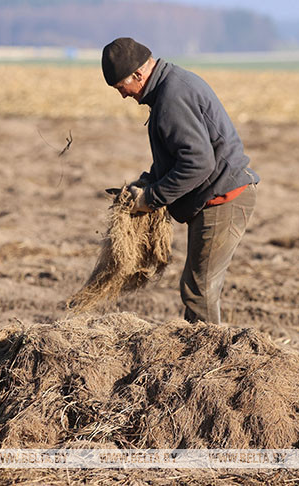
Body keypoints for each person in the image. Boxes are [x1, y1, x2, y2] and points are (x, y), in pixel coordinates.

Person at [102, 37, 260, 325]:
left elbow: (198, 163)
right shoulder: (169, 87)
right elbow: (179, 156)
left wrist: (150, 199)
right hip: (217, 194)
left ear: (138, 74)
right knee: (197, 285)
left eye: (121, 88)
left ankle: (210, 363)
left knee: (198, 290)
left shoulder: (171, 98)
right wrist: (147, 182)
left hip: (224, 197)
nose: (123, 95)